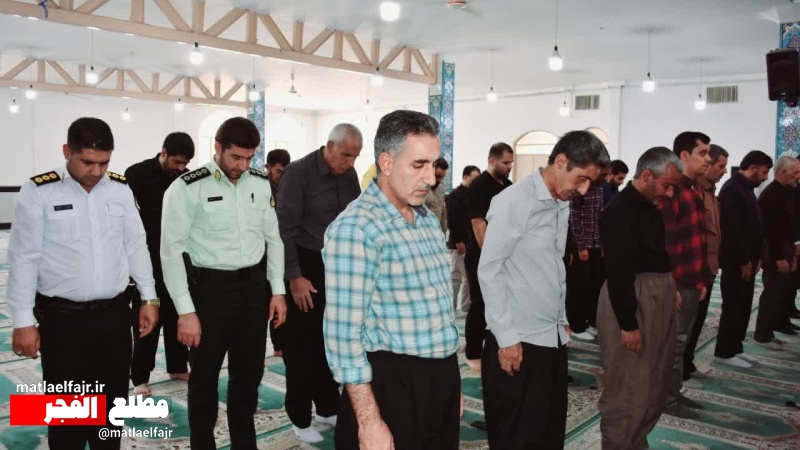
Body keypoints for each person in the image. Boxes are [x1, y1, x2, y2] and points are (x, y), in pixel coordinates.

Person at [8, 117, 158, 450]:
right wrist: (22, 321)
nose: (96, 171)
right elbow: (24, 257)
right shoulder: (40, 191)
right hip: (63, 321)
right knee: (69, 418)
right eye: (87, 162)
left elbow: (136, 245)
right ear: (67, 151)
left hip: (114, 318)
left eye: (104, 163)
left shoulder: (119, 189)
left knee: (110, 412)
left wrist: (149, 298)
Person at [323, 110, 462, 450]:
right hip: (391, 386)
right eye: (419, 165)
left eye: (434, 164)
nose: (430, 177)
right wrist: (369, 421)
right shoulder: (357, 229)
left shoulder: (426, 220)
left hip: (439, 379)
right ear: (386, 163)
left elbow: (440, 310)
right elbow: (343, 339)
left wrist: (450, 384)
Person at [160, 117, 288, 449]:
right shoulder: (188, 187)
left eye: (249, 158)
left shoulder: (258, 182)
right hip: (210, 293)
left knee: (248, 376)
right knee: (204, 379)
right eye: (236, 157)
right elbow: (170, 252)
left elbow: (273, 239)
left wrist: (277, 290)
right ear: (217, 148)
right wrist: (185, 311)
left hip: (253, 290)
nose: (242, 166)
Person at [479, 130, 609, 449]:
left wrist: (560, 319)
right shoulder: (514, 201)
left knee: (547, 432)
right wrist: (506, 338)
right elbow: (490, 270)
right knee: (516, 437)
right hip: (517, 341)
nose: (583, 189)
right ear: (561, 162)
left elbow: (550, 266)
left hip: (550, 337)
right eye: (582, 179)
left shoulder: (560, 202)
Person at [277, 123, 362, 443]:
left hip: (336, 267)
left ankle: (327, 406)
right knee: (301, 346)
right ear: (329, 146)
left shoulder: (349, 175)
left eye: (355, 157)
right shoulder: (298, 173)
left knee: (331, 342)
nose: (350, 162)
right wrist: (294, 277)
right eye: (346, 155)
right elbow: (284, 230)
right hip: (304, 265)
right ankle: (299, 417)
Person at [597, 147, 683, 450]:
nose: (670, 194)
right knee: (629, 386)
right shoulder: (619, 211)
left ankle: (635, 442)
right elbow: (618, 271)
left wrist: (670, 288)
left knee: (653, 381)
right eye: (666, 186)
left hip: (655, 296)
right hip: (634, 301)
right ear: (647, 175)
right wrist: (628, 323)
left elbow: (655, 252)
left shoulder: (648, 206)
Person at [126, 132, 195, 396]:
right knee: (147, 319)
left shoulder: (186, 179)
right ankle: (140, 377)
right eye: (176, 161)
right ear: (163, 152)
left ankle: (177, 366)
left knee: (178, 313)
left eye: (185, 163)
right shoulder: (137, 174)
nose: (180, 167)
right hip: (147, 260)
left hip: (177, 259)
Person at [657, 131, 712, 420]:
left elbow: (696, 241)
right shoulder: (673, 190)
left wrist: (700, 280)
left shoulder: (692, 189)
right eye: (703, 153)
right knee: (673, 342)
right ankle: (665, 398)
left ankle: (674, 391)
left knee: (682, 340)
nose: (708, 159)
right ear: (684, 155)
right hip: (677, 281)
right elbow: (668, 242)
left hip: (692, 280)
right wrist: (673, 284)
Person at [714, 151, 773, 367]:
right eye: (764, 172)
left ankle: (735, 347)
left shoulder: (745, 188)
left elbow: (753, 225)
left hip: (748, 260)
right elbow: (733, 230)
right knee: (733, 306)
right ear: (753, 168)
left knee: (743, 306)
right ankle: (724, 352)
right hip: (736, 262)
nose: (765, 177)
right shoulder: (732, 189)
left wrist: (756, 258)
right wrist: (744, 260)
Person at [464, 142, 514, 371]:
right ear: (492, 161)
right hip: (481, 256)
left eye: (511, 162)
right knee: (480, 302)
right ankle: (473, 352)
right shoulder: (479, 186)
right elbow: (478, 223)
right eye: (505, 162)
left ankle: (494, 346)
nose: (509, 166)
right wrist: (490, 256)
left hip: (503, 255)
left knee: (499, 301)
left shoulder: (508, 186)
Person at [682, 144, 727, 390]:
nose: (724, 171)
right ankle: (680, 374)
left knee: (697, 321)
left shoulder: (709, 192)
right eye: (720, 166)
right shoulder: (692, 191)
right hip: (695, 267)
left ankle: (688, 364)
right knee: (686, 323)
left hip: (708, 265)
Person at [754, 155, 800, 347]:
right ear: (782, 172)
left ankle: (777, 325)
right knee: (772, 293)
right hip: (775, 250)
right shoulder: (771, 195)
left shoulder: (788, 191)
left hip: (786, 247)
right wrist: (780, 258)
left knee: (782, 291)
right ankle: (762, 335)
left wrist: (794, 248)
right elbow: (772, 232)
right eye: (795, 172)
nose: (798, 176)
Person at [566, 168, 606, 341]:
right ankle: (576, 325)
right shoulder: (579, 188)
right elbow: (574, 218)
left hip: (596, 244)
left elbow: (599, 217)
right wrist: (581, 246)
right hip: (582, 246)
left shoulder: (600, 190)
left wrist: (602, 243)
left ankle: (589, 322)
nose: (606, 177)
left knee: (593, 286)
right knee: (578, 287)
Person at [265, 148, 291, 357]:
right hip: (260, 255)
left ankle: (279, 344)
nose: (281, 176)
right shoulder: (258, 187)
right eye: (278, 171)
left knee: (279, 297)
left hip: (281, 251)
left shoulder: (288, 187)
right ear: (268, 167)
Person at [446, 165, 481, 317]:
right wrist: (459, 241)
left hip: (471, 242)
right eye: (474, 178)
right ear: (465, 177)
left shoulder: (474, 195)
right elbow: (452, 220)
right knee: (456, 276)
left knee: (469, 276)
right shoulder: (455, 196)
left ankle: (465, 306)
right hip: (458, 243)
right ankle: (452, 307)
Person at [425, 157, 449, 232]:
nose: (439, 180)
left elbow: (443, 213)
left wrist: (443, 233)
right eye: (437, 176)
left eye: (442, 177)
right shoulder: (419, 188)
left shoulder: (441, 189)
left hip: (436, 233)